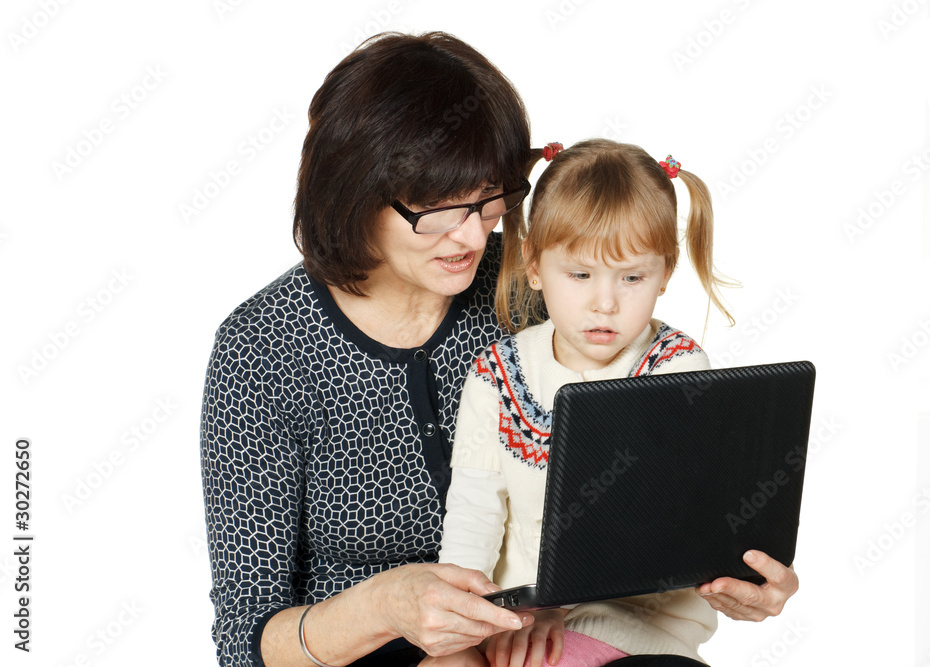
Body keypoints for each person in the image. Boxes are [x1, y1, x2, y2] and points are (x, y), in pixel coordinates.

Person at [199, 32, 798, 667]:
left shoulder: (527, 292)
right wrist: (382, 606)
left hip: (550, 639)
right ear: (353, 192)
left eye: (490, 201)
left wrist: (737, 562)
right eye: (436, 208)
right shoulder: (264, 348)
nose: (470, 235)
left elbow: (652, 474)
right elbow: (244, 643)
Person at [436, 139, 791, 667]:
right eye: (580, 275)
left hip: (635, 631)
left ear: (665, 274)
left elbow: (646, 526)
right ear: (534, 265)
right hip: (517, 627)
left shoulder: (676, 368)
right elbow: (474, 510)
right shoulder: (497, 372)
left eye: (632, 277)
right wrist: (460, 623)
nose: (605, 302)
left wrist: (557, 608)